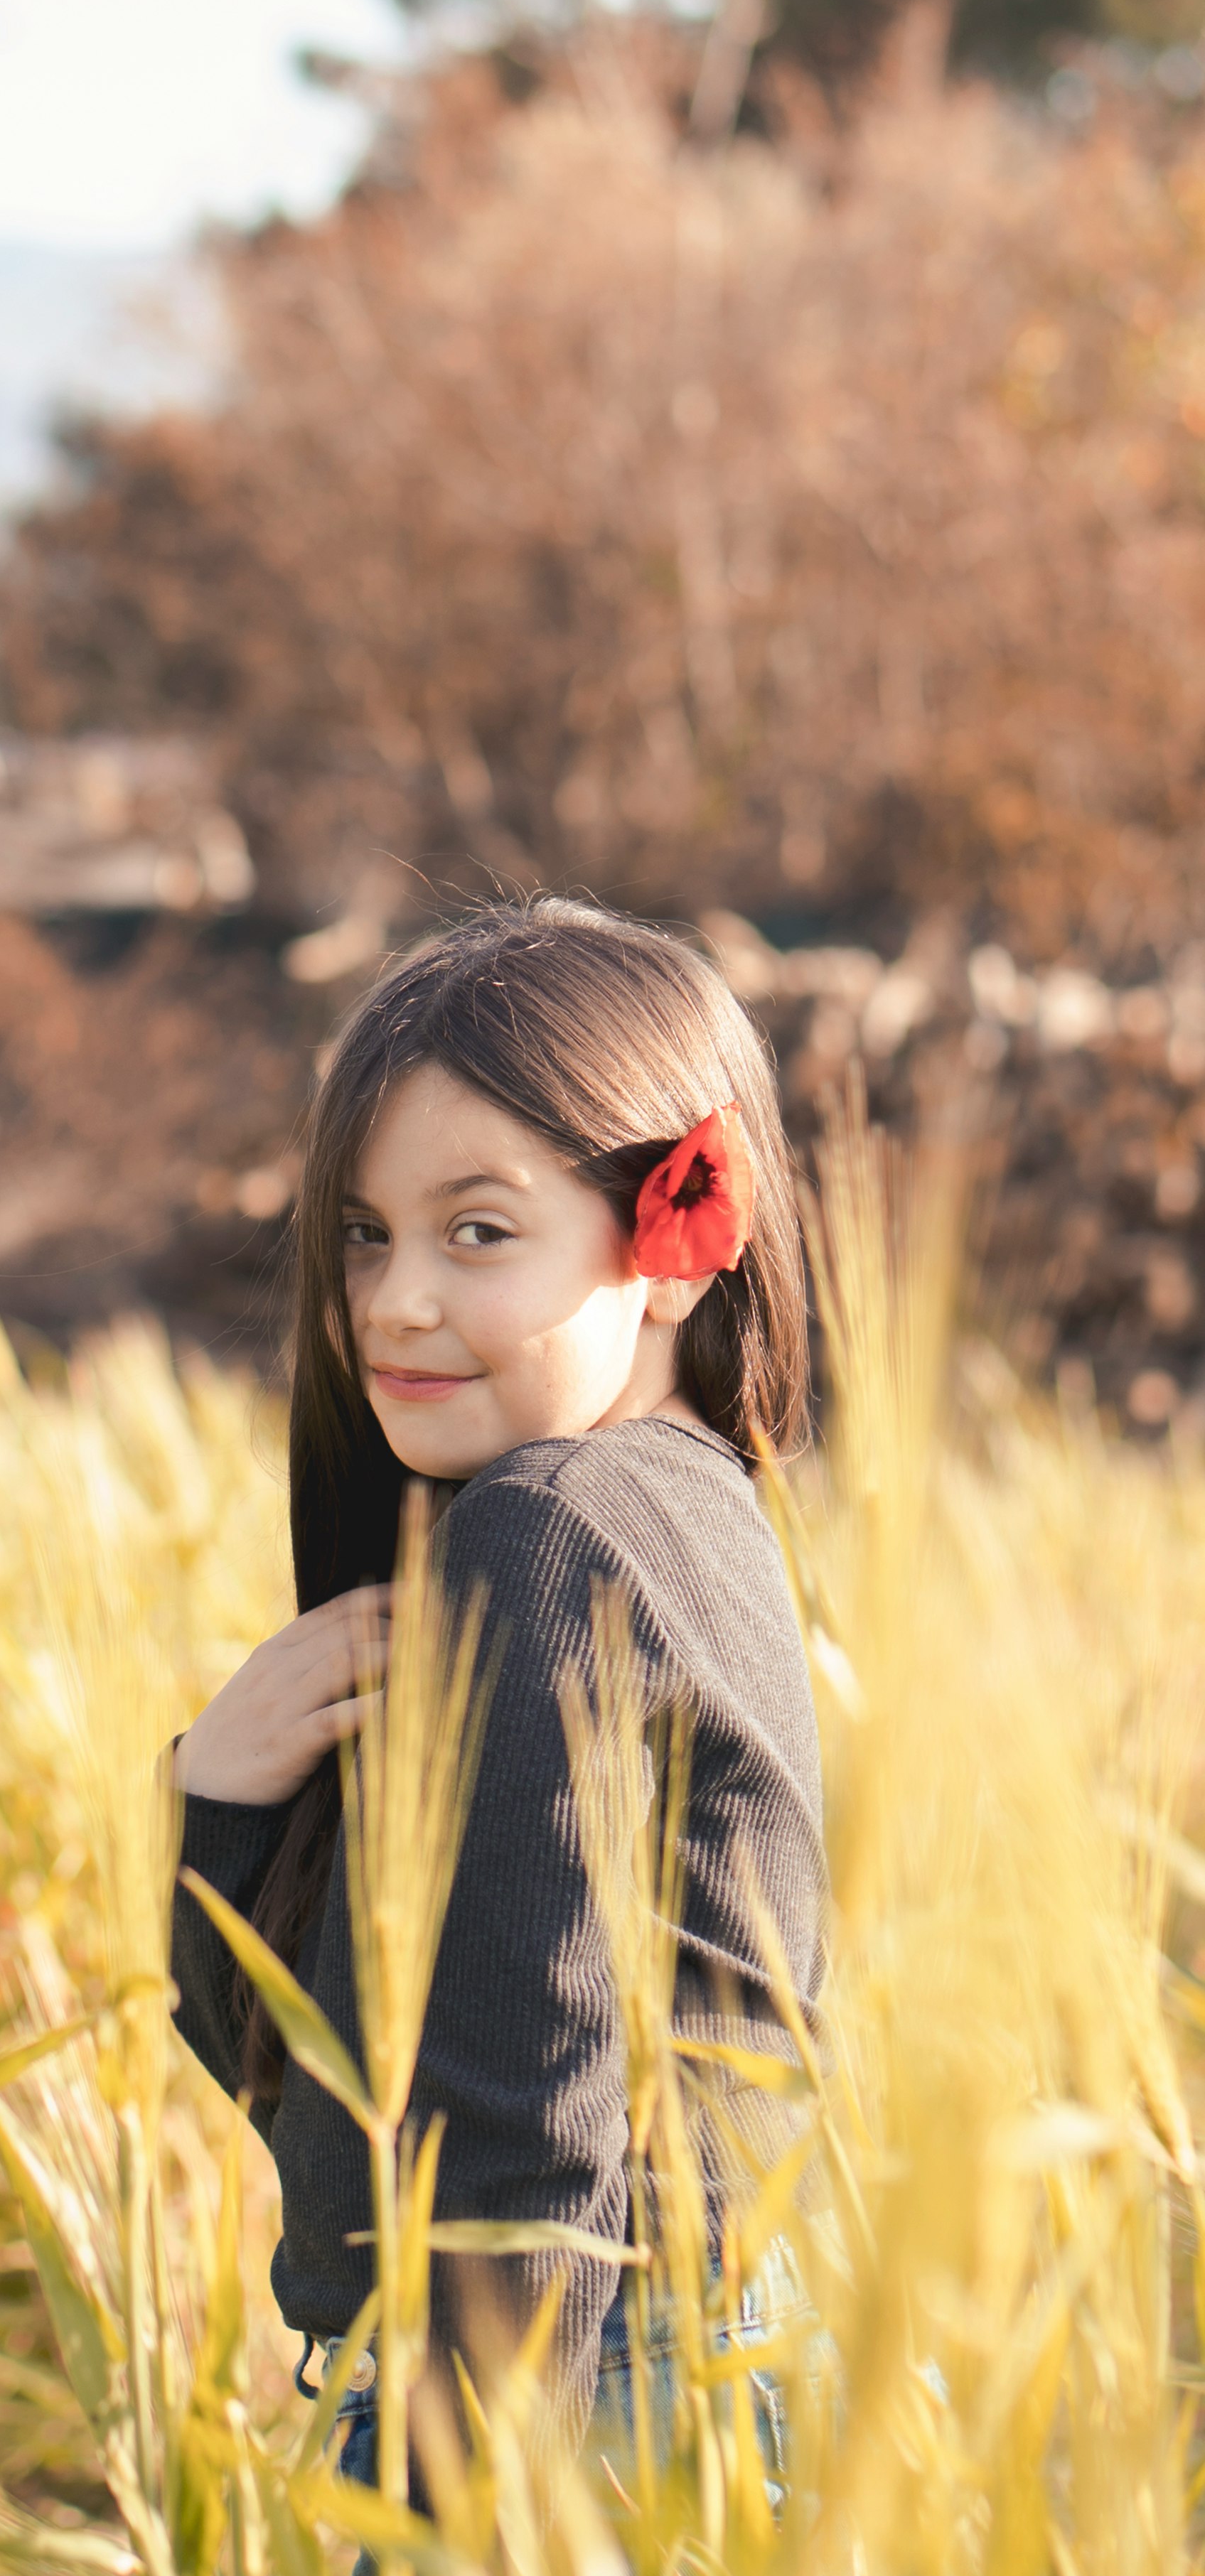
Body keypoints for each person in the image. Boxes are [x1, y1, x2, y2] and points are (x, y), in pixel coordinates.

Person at [168, 898, 825, 2484]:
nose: (394, 1301)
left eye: (477, 1232)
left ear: (673, 1247)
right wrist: (228, 1807)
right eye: (365, 1235)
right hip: (675, 2367)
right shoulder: (686, 1507)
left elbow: (518, 2130)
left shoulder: (543, 1536)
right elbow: (332, 2100)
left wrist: (460, 2519)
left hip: (546, 2401)